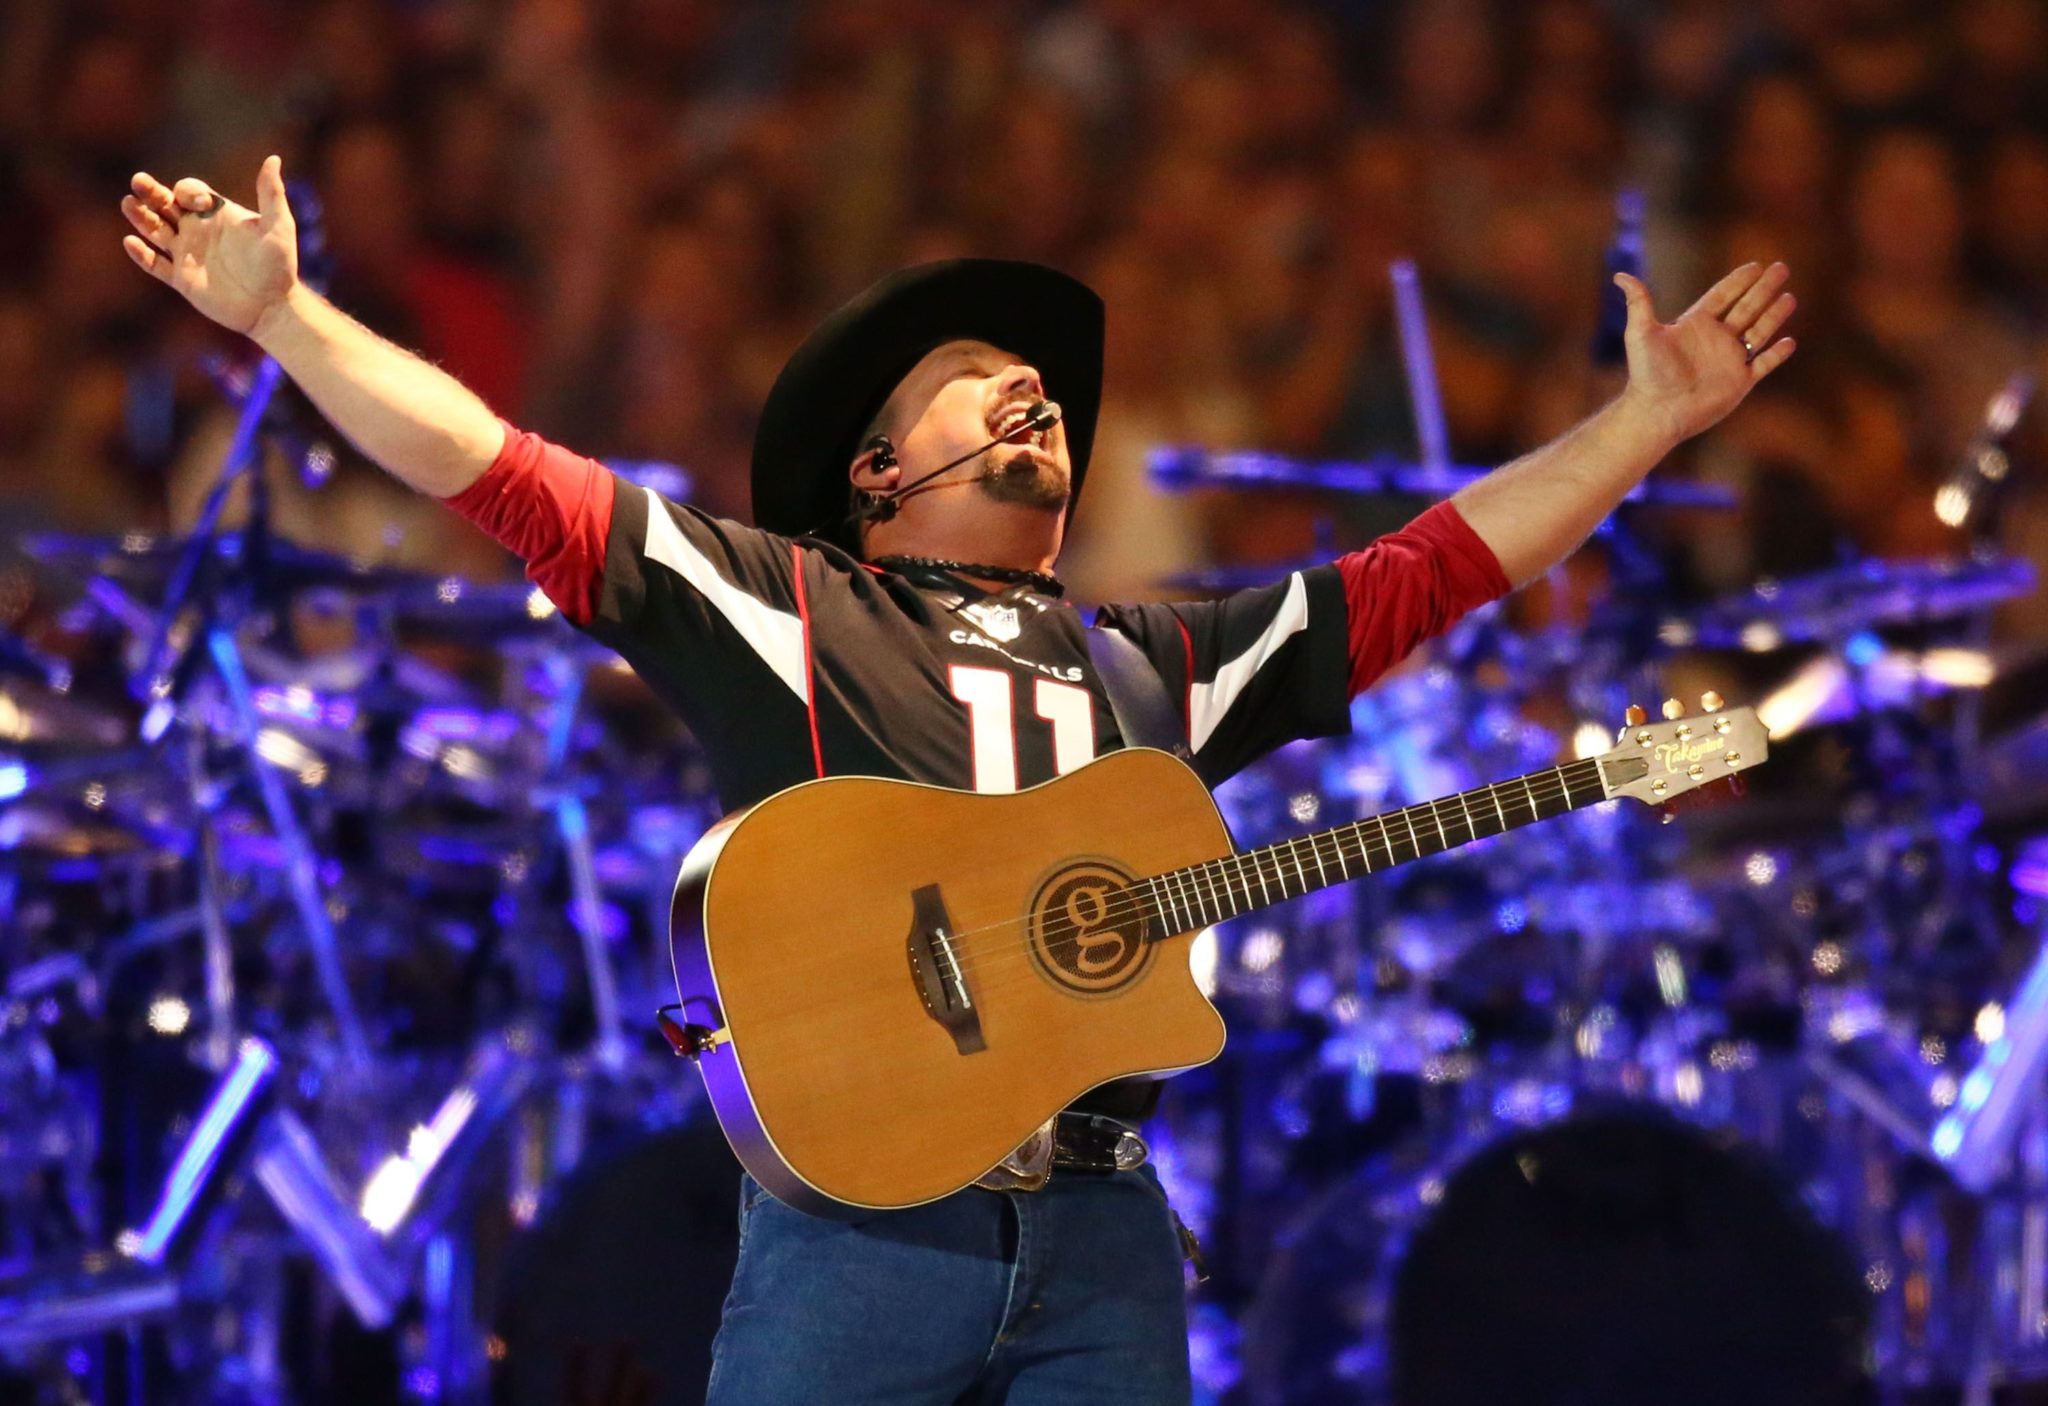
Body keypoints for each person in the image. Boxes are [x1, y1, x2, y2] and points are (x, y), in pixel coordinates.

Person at [118, 156, 1796, 1405]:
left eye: (1049, 386)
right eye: (980, 378)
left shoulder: (1157, 662)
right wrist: (283, 318)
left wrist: (1643, 427)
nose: (1035, 389)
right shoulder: (788, 605)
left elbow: (1434, 569)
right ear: (877, 470)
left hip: (1110, 1243)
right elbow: (502, 476)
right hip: (864, 1243)